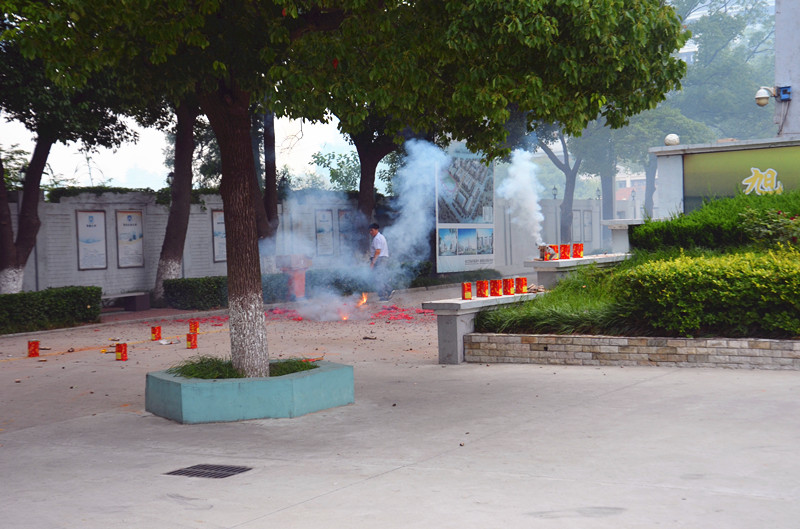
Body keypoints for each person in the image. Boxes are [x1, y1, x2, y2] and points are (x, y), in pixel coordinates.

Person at [368, 223, 393, 301]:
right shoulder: (381, 237)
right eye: (370, 231)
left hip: (379, 259)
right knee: (380, 277)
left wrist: (373, 263)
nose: (370, 232)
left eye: (372, 230)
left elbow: (378, 251)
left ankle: (384, 295)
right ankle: (389, 290)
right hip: (382, 258)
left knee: (378, 278)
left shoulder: (377, 238)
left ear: (376, 230)